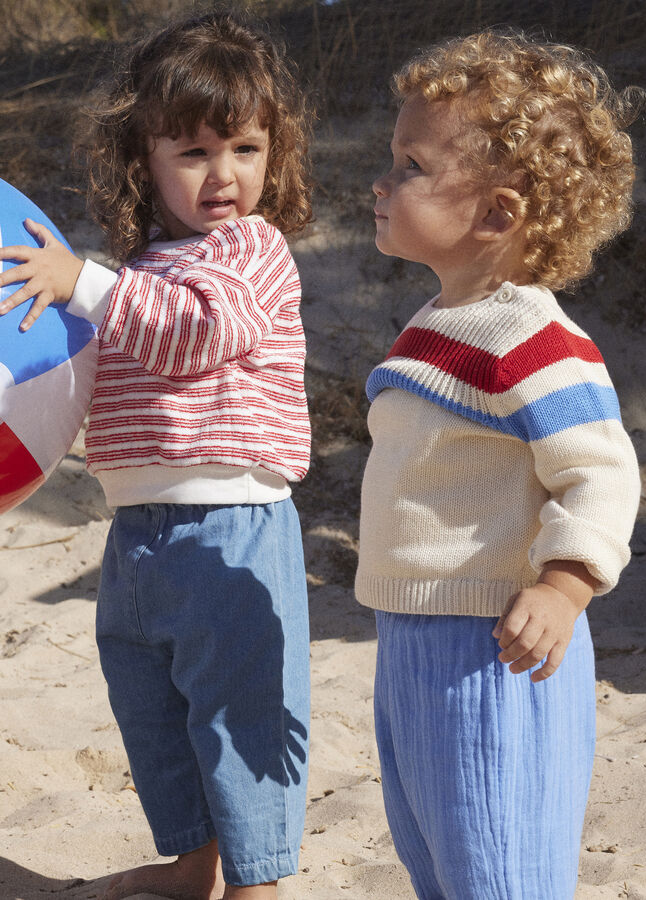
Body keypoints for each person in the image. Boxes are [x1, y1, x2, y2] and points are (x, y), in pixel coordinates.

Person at [0, 12, 313, 900]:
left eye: (245, 149)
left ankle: (255, 883)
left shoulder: (252, 254)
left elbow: (196, 335)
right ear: (143, 158)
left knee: (237, 712)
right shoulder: (148, 265)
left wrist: (84, 283)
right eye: (194, 152)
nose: (224, 176)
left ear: (271, 156)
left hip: (232, 529)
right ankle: (192, 865)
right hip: (137, 531)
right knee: (153, 708)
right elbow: (76, 379)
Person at [355, 30, 643, 900]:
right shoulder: (435, 326)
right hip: (411, 638)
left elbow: (601, 471)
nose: (381, 180)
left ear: (497, 214)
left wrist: (563, 586)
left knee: (499, 871)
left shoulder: (532, 339)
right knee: (437, 862)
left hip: (496, 650)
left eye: (410, 165)